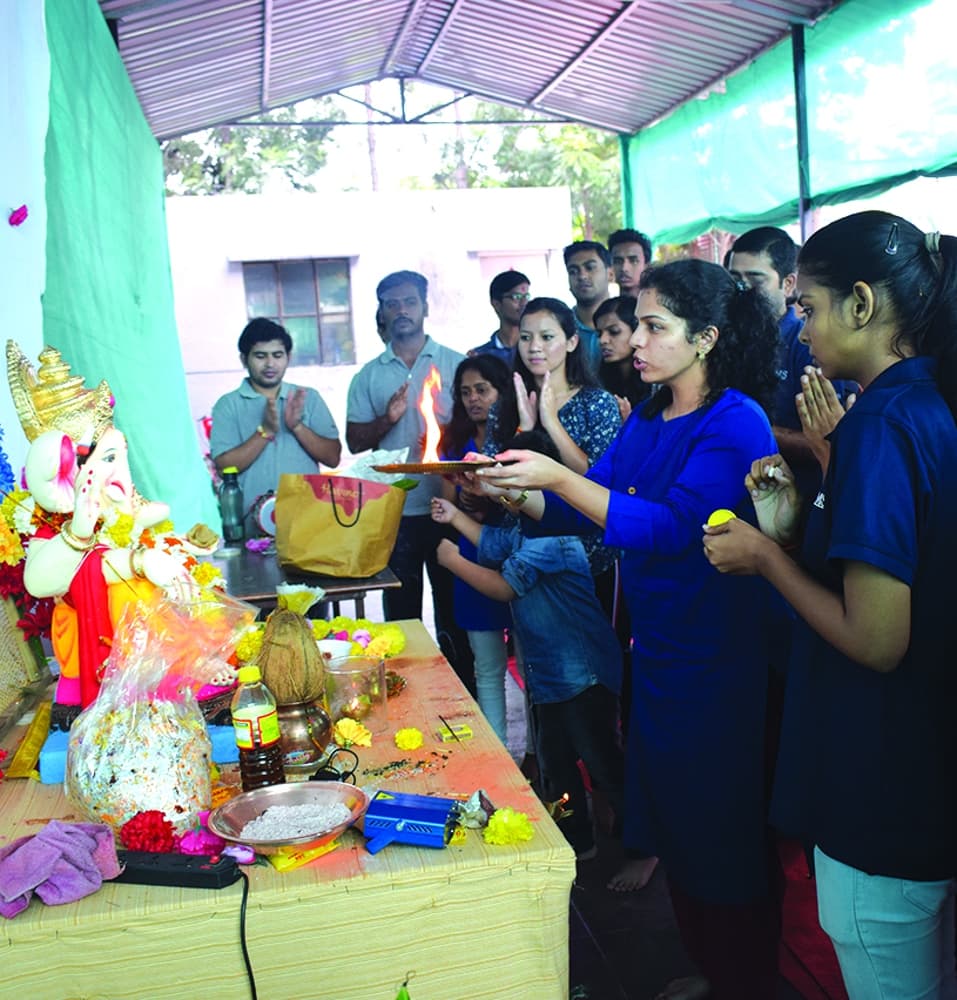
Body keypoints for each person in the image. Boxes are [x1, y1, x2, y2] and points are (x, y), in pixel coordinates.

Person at [475, 260, 782, 1000]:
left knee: (722, 827)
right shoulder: (648, 413)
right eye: (635, 324)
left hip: (719, 652)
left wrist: (554, 477)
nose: (633, 341)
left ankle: (744, 978)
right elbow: (593, 505)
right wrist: (515, 489)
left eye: (653, 327)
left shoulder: (732, 418)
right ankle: (711, 967)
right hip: (661, 649)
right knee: (676, 818)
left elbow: (674, 527)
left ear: (704, 337)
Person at [704, 211, 957, 1000]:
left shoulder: (883, 424)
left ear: (860, 304)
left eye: (807, 307)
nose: (798, 327)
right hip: (923, 765)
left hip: (877, 779)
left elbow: (877, 636)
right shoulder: (918, 409)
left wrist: (762, 559)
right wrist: (795, 524)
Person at [432, 429, 625, 861]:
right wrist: (455, 516)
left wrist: (452, 561)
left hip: (584, 676)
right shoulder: (523, 527)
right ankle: (580, 843)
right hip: (549, 678)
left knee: (603, 763)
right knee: (557, 768)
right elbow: (495, 544)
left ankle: (641, 847)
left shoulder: (555, 537)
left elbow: (504, 587)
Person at [345, 270, 470, 675]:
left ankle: (463, 693)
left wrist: (445, 437)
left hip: (449, 508)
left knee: (455, 612)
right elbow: (354, 441)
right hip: (394, 512)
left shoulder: (455, 364)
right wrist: (387, 419)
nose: (401, 311)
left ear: (425, 307)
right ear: (381, 311)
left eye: (409, 302)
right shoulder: (368, 375)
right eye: (391, 303)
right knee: (401, 615)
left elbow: (478, 428)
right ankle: (407, 689)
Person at [727, 226, 856, 492]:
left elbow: (829, 441)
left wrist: (750, 428)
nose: (742, 289)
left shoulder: (808, 345)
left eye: (755, 279)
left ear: (788, 284)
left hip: (795, 499)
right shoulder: (725, 340)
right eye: (735, 279)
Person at [438, 355, 516, 745]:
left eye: (482, 390)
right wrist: (463, 500)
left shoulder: (520, 441)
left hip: (520, 559)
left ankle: (537, 756)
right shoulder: (454, 444)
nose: (473, 399)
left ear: (503, 392)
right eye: (465, 392)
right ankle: (498, 752)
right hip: (471, 558)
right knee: (487, 666)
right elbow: (447, 505)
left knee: (534, 669)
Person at [210, 318, 341, 536]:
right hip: (252, 531)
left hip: (308, 526)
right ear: (244, 359)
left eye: (277, 355)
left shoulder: (308, 398)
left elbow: (333, 457)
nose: (270, 364)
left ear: (288, 358)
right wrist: (264, 432)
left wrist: (297, 427)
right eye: (260, 356)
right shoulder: (228, 405)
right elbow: (225, 468)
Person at [594, 295, 652, 422]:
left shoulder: (655, 383)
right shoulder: (599, 382)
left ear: (636, 331)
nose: (603, 340)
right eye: (599, 334)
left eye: (614, 332)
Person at [564, 240, 612, 378]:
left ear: (610, 273)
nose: (582, 276)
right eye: (573, 271)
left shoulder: (631, 321)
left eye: (590, 267)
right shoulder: (561, 327)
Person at [469, 270, 530, 364]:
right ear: (496, 304)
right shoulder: (481, 357)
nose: (524, 303)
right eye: (517, 297)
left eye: (526, 296)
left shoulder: (535, 349)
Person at [608, 228, 653, 298]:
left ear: (647, 265)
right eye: (617, 261)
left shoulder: (659, 307)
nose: (624, 268)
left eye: (634, 261)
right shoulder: (606, 307)